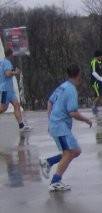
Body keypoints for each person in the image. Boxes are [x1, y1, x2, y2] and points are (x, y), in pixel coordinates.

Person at [39, 63, 93, 191]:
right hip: (60, 126)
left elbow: (50, 102)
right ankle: (55, 182)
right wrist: (87, 120)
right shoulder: (71, 90)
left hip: (57, 125)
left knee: (76, 151)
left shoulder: (62, 86)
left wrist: (50, 120)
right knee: (69, 154)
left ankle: (48, 162)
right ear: (78, 74)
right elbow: (73, 112)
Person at [0, 47, 30, 131]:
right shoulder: (7, 63)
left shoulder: (2, 62)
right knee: (3, 108)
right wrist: (15, 72)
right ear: (10, 54)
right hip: (5, 90)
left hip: (10, 90)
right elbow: (7, 74)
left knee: (16, 105)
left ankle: (21, 125)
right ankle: (21, 125)